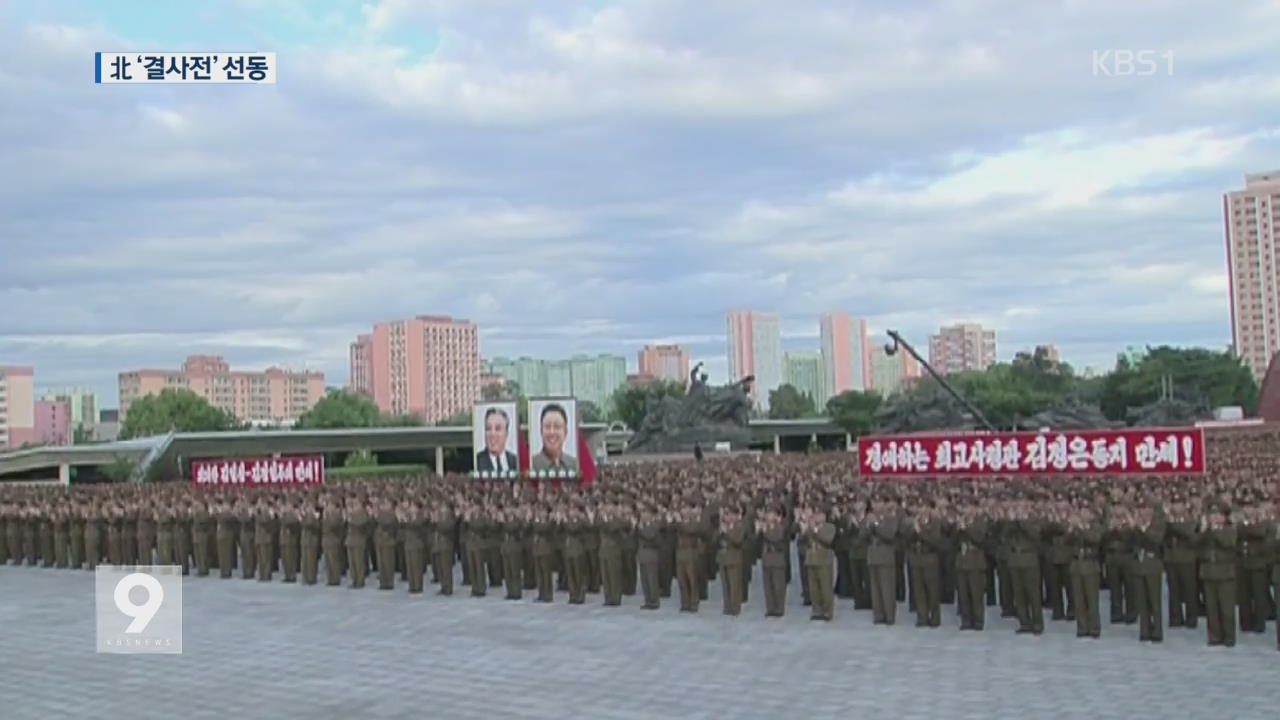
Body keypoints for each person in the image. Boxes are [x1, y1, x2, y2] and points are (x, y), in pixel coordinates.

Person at [531, 403, 579, 473]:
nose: (552, 432)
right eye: (547, 426)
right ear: (541, 431)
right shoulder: (531, 464)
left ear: (565, 432)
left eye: (557, 426)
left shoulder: (574, 464)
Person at [475, 407, 518, 476]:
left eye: (498, 428)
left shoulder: (515, 461)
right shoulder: (477, 461)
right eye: (488, 428)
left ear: (506, 433)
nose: (492, 434)